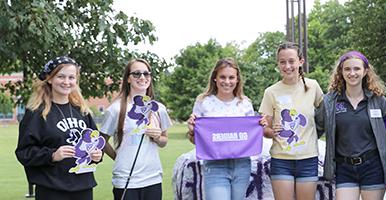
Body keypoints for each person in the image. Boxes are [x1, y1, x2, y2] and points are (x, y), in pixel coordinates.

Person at [15, 56, 103, 200]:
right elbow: (24, 152)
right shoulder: (36, 113)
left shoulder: (82, 111)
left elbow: (96, 142)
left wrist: (96, 155)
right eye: (61, 76)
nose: (67, 82)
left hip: (83, 187)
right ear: (49, 79)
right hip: (52, 189)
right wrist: (53, 155)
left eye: (71, 77)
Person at [315, 51, 386, 200]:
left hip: (373, 166)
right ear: (341, 72)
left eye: (357, 69)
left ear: (365, 71)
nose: (352, 73)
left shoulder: (377, 100)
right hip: (344, 167)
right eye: (347, 69)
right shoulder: (329, 102)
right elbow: (314, 130)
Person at [259, 42, 324, 200]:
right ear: (278, 64)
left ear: (300, 61)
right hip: (281, 161)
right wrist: (270, 131)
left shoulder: (313, 86)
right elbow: (264, 127)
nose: (287, 66)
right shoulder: (271, 92)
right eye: (282, 62)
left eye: (291, 61)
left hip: (308, 159)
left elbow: (325, 116)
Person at [100, 59, 171, 200]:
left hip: (153, 178)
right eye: (137, 74)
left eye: (146, 74)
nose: (143, 77)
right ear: (128, 78)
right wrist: (117, 157)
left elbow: (164, 141)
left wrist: (157, 137)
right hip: (126, 180)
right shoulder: (115, 109)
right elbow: (101, 141)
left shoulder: (158, 108)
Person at [185, 58, 255, 200]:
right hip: (215, 166)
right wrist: (192, 130)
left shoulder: (245, 104)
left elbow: (250, 136)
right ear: (215, 78)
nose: (227, 81)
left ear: (237, 79)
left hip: (242, 165)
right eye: (222, 77)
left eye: (231, 77)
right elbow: (196, 141)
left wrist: (260, 126)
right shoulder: (203, 102)